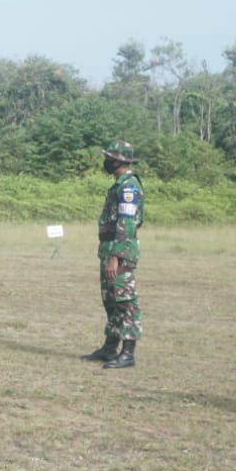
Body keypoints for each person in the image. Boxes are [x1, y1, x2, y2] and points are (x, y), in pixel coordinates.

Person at [84, 140, 145, 368]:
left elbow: (126, 223)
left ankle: (128, 353)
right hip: (110, 248)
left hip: (120, 251)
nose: (106, 161)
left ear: (119, 160)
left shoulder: (128, 187)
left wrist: (115, 257)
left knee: (125, 301)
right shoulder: (119, 184)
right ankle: (110, 347)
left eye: (109, 157)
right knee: (111, 300)